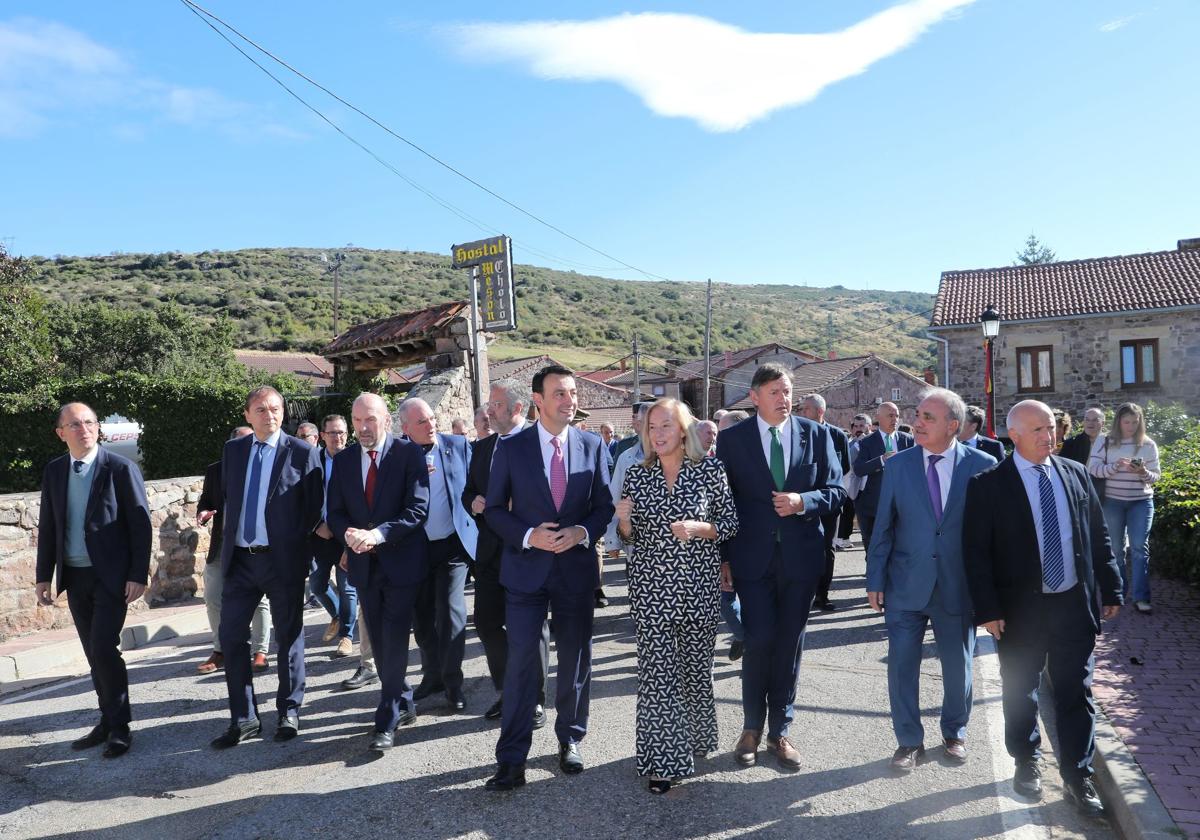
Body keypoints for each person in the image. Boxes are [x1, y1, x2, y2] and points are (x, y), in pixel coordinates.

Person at [964, 399, 1122, 818]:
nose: (1047, 436)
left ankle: (1077, 774)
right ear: (1012, 435)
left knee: (1076, 691)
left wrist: (1111, 589)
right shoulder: (988, 485)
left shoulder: (1075, 474)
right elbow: (975, 554)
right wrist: (988, 609)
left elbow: (1097, 536)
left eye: (1051, 427)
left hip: (1073, 603)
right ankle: (1026, 760)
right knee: (1020, 690)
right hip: (1019, 610)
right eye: (1036, 430)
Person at [482, 364, 615, 791]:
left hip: (574, 572)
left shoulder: (592, 445)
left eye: (573, 393)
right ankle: (511, 759)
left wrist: (581, 532)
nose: (569, 400)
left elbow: (603, 506)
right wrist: (528, 536)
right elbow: (495, 509)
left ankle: (571, 740)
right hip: (525, 573)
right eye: (560, 393)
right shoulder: (511, 447)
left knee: (576, 661)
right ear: (538, 400)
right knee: (522, 665)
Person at [716, 363, 845, 771]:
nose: (784, 399)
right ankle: (751, 727)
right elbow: (722, 502)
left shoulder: (819, 435)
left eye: (787, 391)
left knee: (789, 644)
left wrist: (803, 501)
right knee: (758, 640)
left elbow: (838, 491)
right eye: (774, 391)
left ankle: (780, 731)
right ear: (754, 397)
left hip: (801, 558)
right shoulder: (732, 441)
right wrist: (721, 557)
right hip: (750, 558)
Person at [866, 389, 996, 772]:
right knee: (901, 667)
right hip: (905, 583)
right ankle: (908, 742)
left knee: (959, 667)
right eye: (918, 414)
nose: (917, 422)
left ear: (953, 426)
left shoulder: (983, 464)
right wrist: (875, 579)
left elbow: (993, 533)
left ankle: (955, 733)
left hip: (958, 585)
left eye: (928, 417)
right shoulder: (899, 465)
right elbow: (883, 527)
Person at [615, 398, 738, 793]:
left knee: (694, 672)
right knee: (658, 677)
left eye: (666, 426)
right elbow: (626, 538)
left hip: (698, 590)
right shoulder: (637, 475)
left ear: (683, 429)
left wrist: (701, 528)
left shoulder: (710, 470)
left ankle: (697, 738)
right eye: (652, 428)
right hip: (651, 589)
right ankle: (663, 762)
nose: (659, 434)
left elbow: (730, 524)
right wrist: (623, 522)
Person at [35, 402, 152, 758]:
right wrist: (44, 576)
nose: (83, 429)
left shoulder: (119, 468)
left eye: (89, 422)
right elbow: (49, 526)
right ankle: (107, 719)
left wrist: (137, 574)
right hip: (74, 575)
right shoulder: (55, 471)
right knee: (92, 653)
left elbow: (140, 524)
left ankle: (119, 727)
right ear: (60, 433)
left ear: (98, 428)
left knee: (103, 647)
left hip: (112, 577)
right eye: (74, 424)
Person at [211, 386, 324, 749]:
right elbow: (229, 499)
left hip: (282, 560)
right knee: (230, 637)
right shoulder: (234, 451)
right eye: (260, 409)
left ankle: (289, 710)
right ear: (247, 415)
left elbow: (314, 509)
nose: (269, 415)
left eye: (275, 409)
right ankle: (243, 718)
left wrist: (299, 551)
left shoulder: (303, 453)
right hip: (241, 560)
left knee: (288, 637)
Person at [327, 393, 430, 751]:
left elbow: (417, 510)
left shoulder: (408, 454)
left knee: (395, 638)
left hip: (401, 563)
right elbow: (336, 512)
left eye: (370, 420)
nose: (363, 428)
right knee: (380, 642)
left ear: (386, 419)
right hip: (364, 566)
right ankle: (404, 701)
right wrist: (349, 534)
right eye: (357, 421)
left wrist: (378, 533)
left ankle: (385, 718)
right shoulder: (342, 462)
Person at [463, 379, 550, 727]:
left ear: (517, 408)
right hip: (489, 554)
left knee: (530, 629)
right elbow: (468, 490)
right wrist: (474, 502)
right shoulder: (483, 449)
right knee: (485, 623)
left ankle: (535, 699)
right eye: (489, 404)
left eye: (496, 404)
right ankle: (508, 691)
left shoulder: (539, 443)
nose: (488, 411)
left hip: (528, 552)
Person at [399, 398, 479, 712]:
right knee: (422, 618)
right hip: (415, 548)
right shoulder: (397, 455)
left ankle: (453, 683)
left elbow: (475, 486)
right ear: (405, 428)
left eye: (432, 418)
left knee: (450, 611)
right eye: (421, 422)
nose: (431, 425)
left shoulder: (457, 446)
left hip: (452, 546)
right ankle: (432, 675)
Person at [196, 426, 272, 675]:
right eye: (239, 443)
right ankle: (221, 650)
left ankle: (260, 651)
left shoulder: (265, 465)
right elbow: (206, 501)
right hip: (223, 545)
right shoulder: (216, 470)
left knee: (259, 600)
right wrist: (203, 513)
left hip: (255, 547)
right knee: (213, 597)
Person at [1088, 402, 1159, 614]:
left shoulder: (1148, 444)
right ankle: (1118, 594)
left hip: (1141, 502)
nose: (1131, 426)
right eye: (1127, 422)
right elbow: (1093, 470)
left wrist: (1142, 472)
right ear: (1119, 421)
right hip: (1113, 502)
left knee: (1139, 548)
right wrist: (1115, 466)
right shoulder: (1105, 441)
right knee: (1116, 551)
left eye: (1135, 422)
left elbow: (1155, 477)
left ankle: (1141, 598)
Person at [310, 414, 357, 658]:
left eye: (341, 432)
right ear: (323, 435)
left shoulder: (356, 458)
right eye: (332, 433)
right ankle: (337, 615)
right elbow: (303, 496)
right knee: (317, 585)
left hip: (347, 533)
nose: (337, 437)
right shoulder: (312, 460)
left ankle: (346, 636)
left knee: (348, 586)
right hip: (320, 534)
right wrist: (318, 524)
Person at [798, 393, 850, 612]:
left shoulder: (837, 435)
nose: (801, 413)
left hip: (828, 503)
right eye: (800, 409)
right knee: (803, 548)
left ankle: (823, 595)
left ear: (819, 411)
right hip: (803, 503)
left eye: (805, 409)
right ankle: (804, 595)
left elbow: (845, 467)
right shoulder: (797, 434)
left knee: (826, 549)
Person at [853, 402, 914, 554]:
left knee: (899, 546)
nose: (895, 419)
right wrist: (881, 460)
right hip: (873, 505)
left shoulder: (907, 440)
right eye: (890, 416)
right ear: (879, 417)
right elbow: (859, 469)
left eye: (897, 416)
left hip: (901, 504)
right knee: (874, 547)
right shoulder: (867, 442)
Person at [715, 409, 750, 659]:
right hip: (726, 545)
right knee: (725, 597)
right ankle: (743, 635)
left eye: (722, 430)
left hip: (753, 544)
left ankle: (748, 639)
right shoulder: (712, 464)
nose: (719, 438)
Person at [835, 414, 872, 550]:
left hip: (871, 487)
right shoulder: (853, 442)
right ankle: (843, 538)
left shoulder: (874, 441)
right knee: (852, 515)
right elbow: (848, 459)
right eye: (855, 426)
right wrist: (857, 444)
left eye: (861, 426)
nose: (858, 429)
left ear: (869, 426)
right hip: (854, 488)